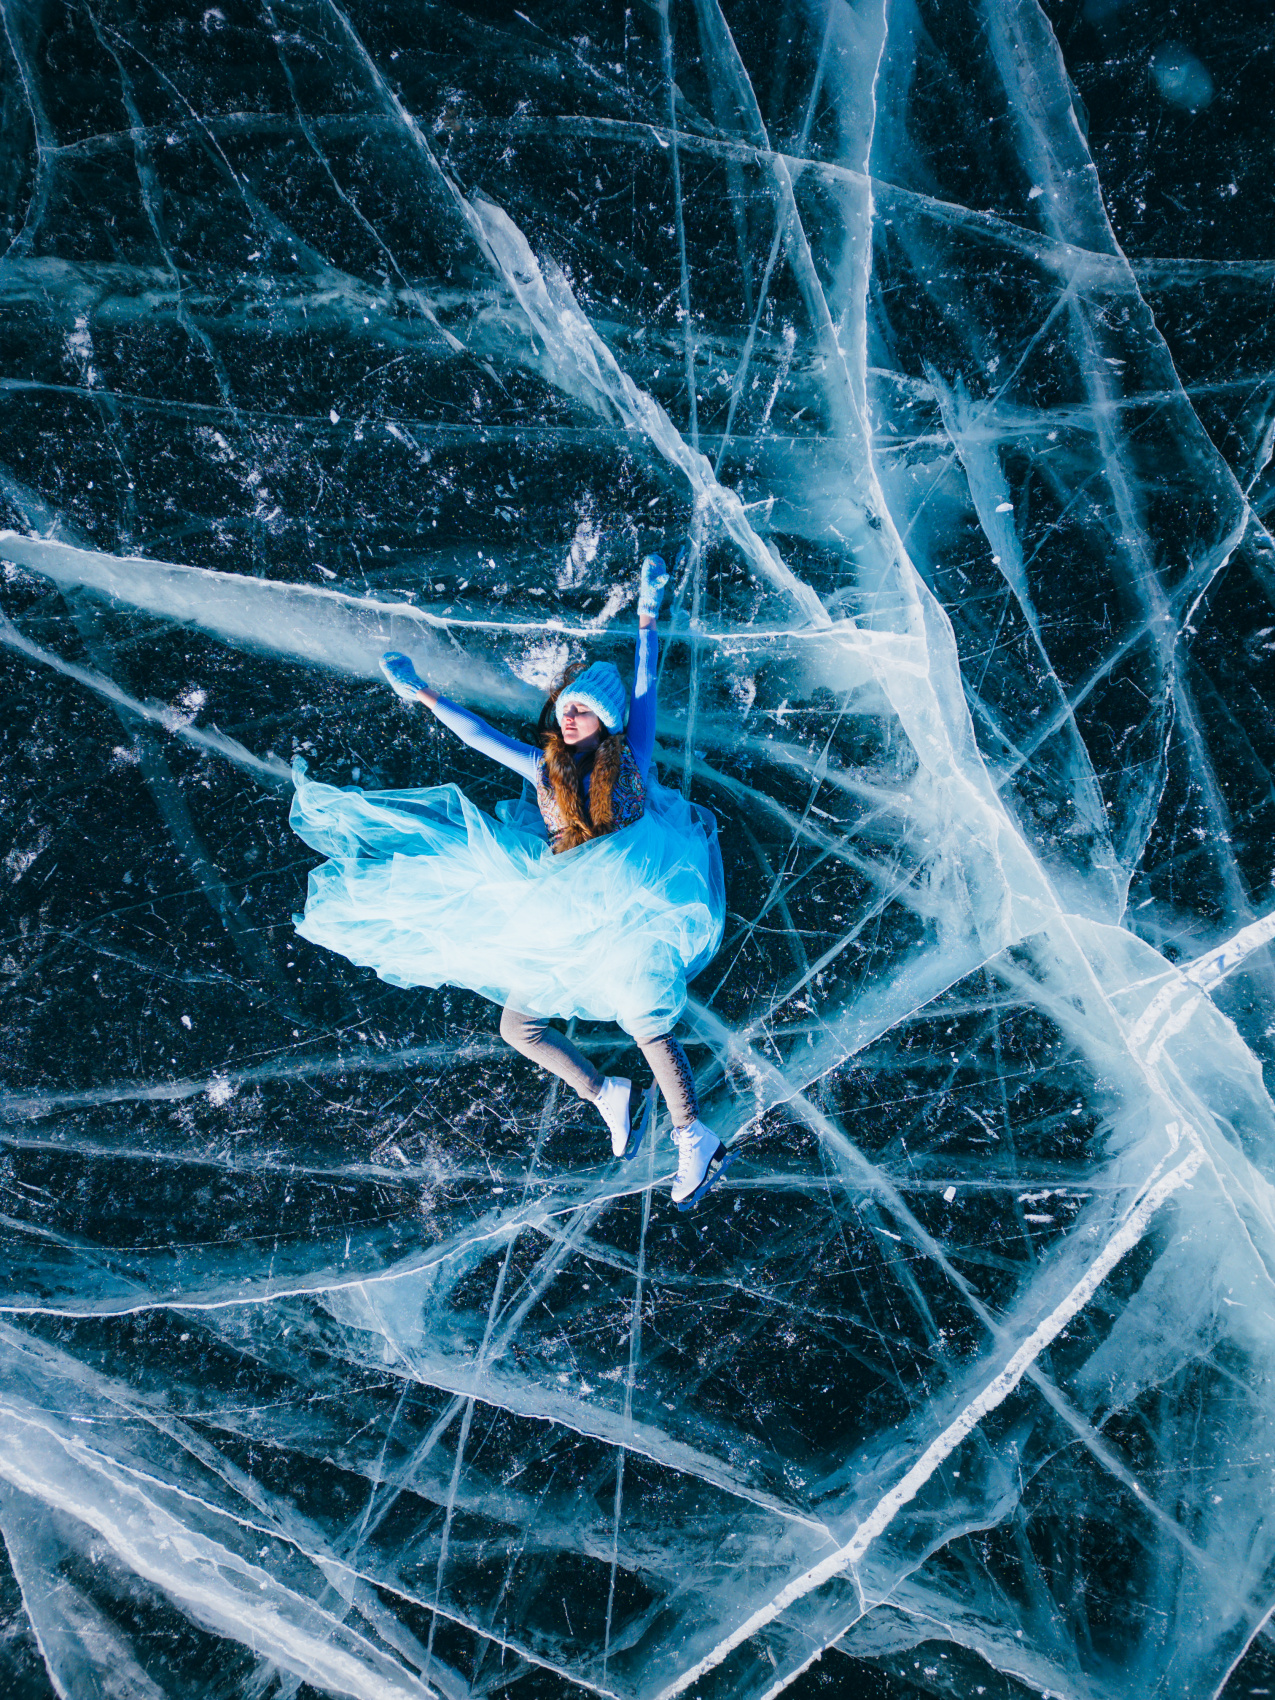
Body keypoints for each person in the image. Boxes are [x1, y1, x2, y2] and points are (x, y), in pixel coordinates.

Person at [288, 546, 730, 1207]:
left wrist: (646, 614)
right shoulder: (544, 769)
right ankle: (607, 1094)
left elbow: (646, 682)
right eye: (565, 708)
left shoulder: (628, 756)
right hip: (566, 904)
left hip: (635, 898)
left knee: (646, 1021)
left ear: (604, 720)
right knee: (519, 1028)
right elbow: (476, 736)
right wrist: (423, 693)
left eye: (580, 710)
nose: (567, 716)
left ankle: (694, 1135)